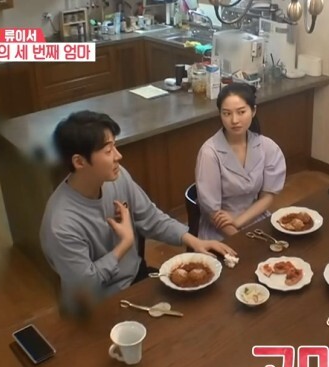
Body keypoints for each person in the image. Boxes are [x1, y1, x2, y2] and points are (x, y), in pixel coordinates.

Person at [40, 110, 236, 315]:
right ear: (79, 162)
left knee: (205, 308)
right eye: (108, 150)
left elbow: (150, 217)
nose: (118, 156)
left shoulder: (116, 177)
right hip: (98, 305)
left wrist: (194, 241)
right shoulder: (60, 224)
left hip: (137, 278)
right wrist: (124, 244)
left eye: (115, 146)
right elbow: (85, 287)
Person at [195, 83, 287, 241]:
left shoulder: (267, 147)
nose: (234, 120)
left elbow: (268, 196)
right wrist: (242, 239)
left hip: (255, 218)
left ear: (253, 111)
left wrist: (238, 221)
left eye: (241, 112)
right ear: (220, 114)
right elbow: (213, 213)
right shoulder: (209, 153)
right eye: (227, 113)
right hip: (220, 230)